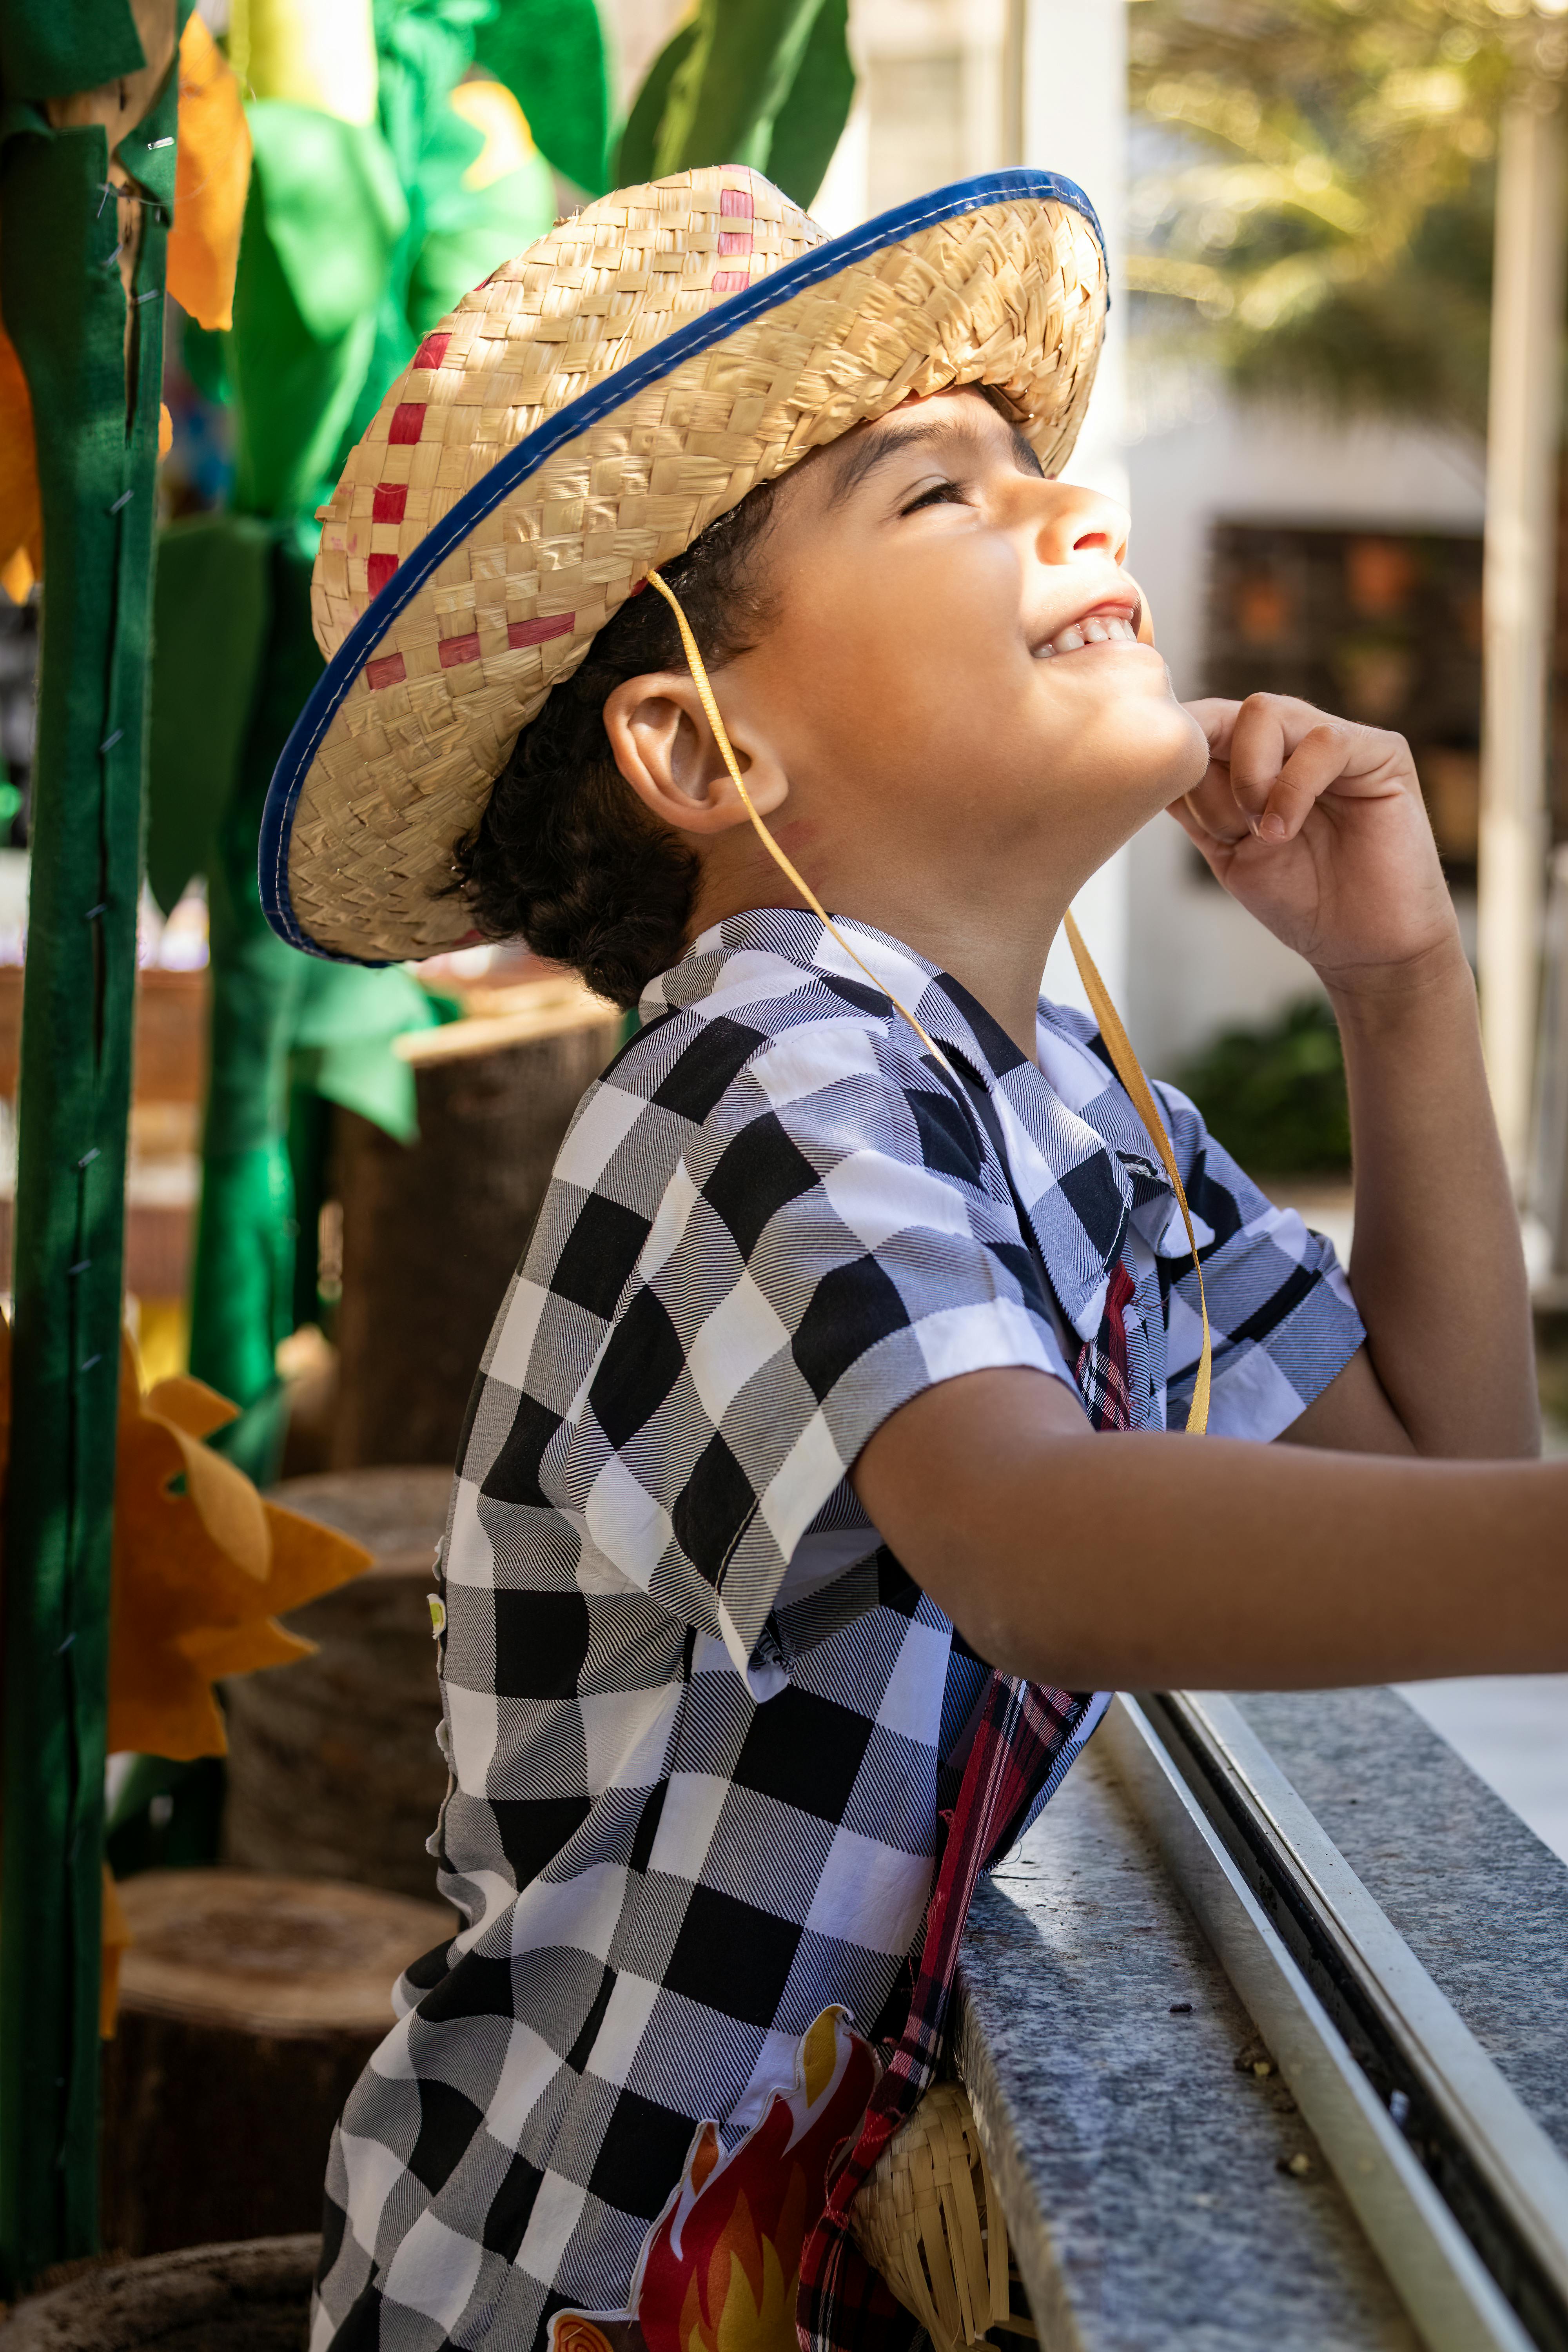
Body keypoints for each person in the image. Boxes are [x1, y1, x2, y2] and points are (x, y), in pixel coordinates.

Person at [262, 166, 1553, 2352]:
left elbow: (1448, 1466)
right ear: (701, 746)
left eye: (1041, 462)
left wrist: (1401, 983)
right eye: (942, 493)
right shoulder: (760, 1067)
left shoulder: (1075, 1110)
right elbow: (1033, 1539)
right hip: (557, 2296)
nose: (1081, 512)